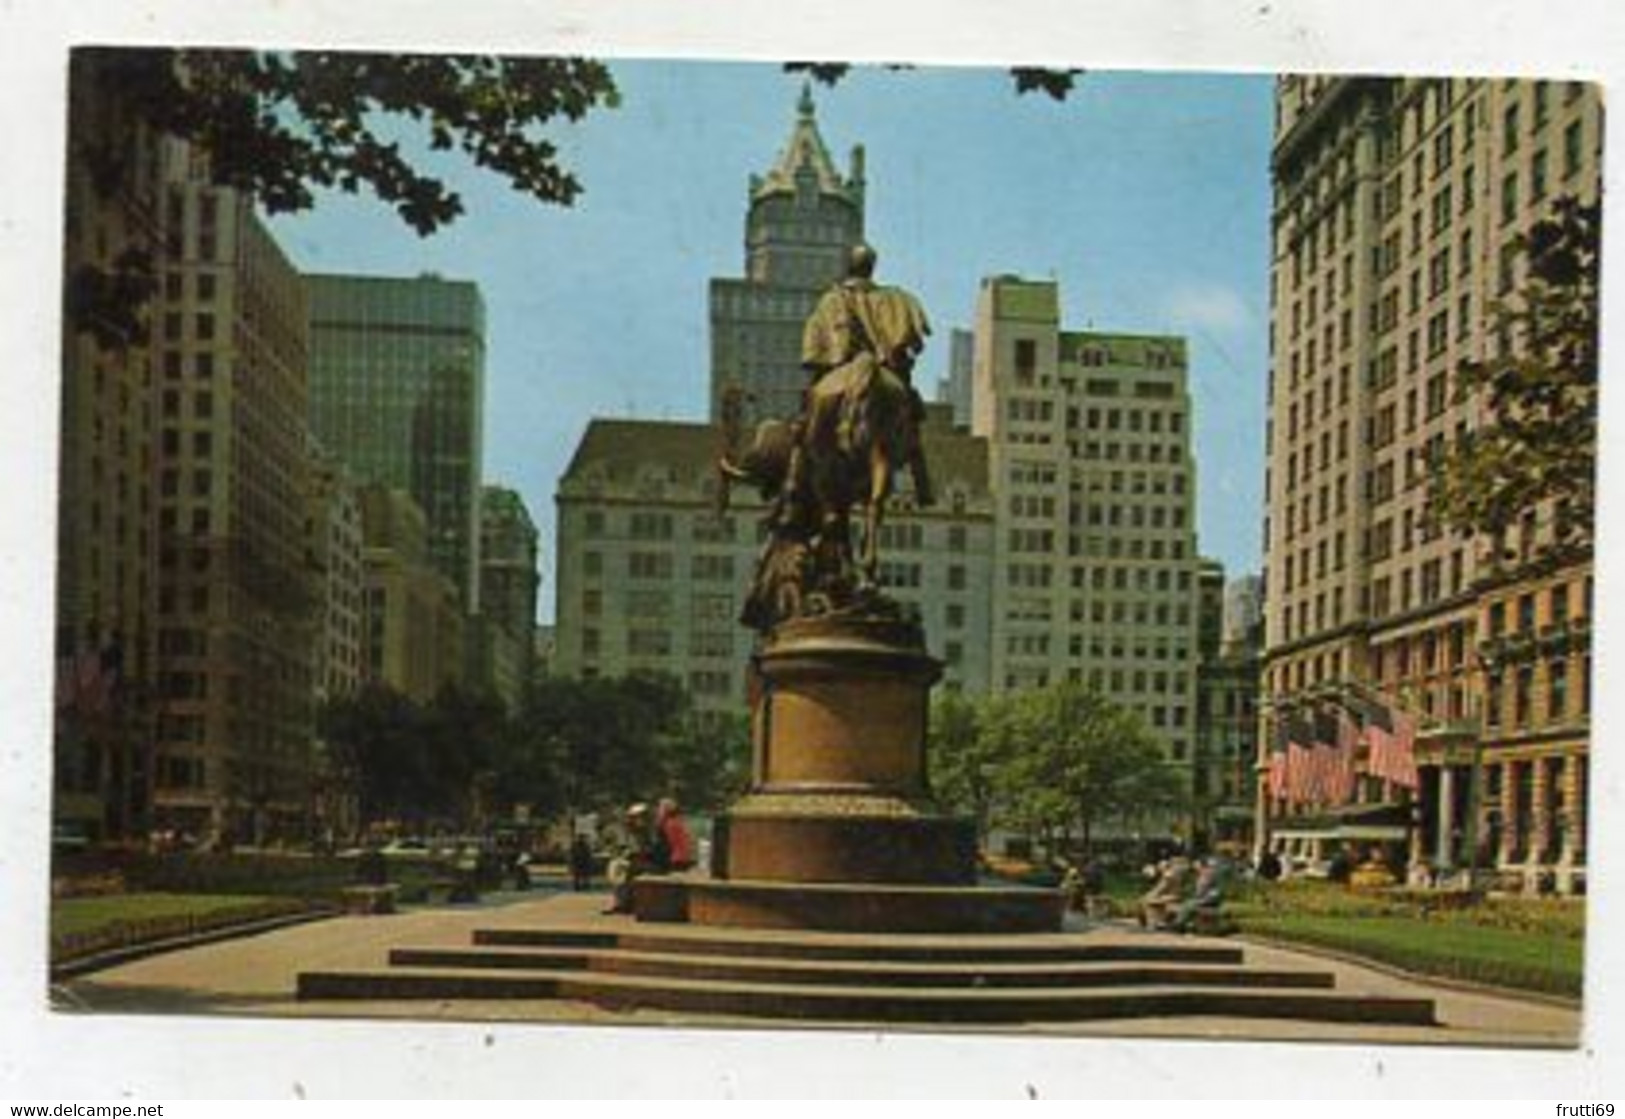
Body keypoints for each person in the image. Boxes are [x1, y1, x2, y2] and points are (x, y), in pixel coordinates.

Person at [1170, 858, 1226, 933]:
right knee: (1187, 904)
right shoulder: (1202, 875)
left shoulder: (1210, 876)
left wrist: (1204, 899)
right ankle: (1180, 924)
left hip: (1209, 901)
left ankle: (1179, 924)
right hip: (1202, 900)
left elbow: (1215, 893)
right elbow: (1197, 890)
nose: (1197, 867)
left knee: (1189, 905)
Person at [1138, 856, 1191, 930]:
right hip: (1174, 896)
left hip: (1173, 897)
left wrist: (1149, 895)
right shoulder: (1172, 875)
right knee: (1152, 900)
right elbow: (1160, 889)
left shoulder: (1168, 876)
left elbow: (1160, 889)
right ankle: (1158, 921)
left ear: (1164, 867)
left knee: (1148, 901)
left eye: (1160, 867)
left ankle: (1152, 923)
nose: (1159, 869)